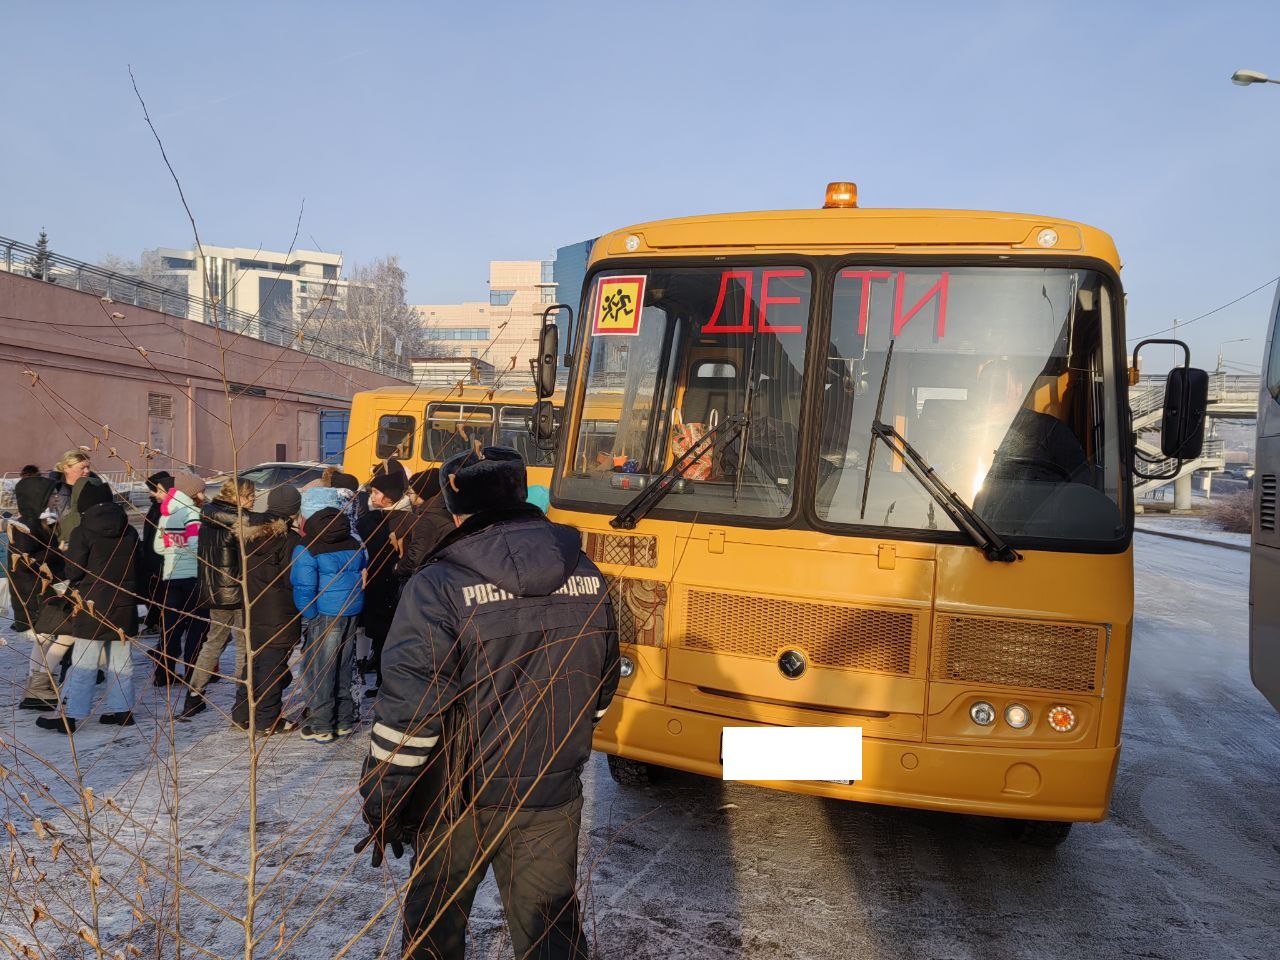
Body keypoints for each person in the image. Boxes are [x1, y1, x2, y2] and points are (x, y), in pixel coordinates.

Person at [358, 447, 619, 960]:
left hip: (458, 798)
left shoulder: (437, 585)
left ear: (456, 510)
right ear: (523, 495)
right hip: (551, 790)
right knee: (551, 935)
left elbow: (410, 717)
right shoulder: (589, 575)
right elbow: (602, 687)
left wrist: (383, 801)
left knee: (433, 932)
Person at [35, 480, 141, 734]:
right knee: (121, 660)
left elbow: (74, 570)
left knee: (84, 661)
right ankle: (123, 711)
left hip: (92, 603)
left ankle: (70, 718)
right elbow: (141, 563)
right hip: (124, 603)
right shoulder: (129, 529)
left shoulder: (82, 531)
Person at [292, 487, 367, 742]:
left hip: (325, 612)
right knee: (343, 665)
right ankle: (344, 719)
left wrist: (310, 614)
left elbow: (304, 587)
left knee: (320, 668)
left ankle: (322, 724)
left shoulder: (307, 546)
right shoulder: (353, 540)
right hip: (352, 608)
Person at [231, 485, 304, 735]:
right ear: (294, 511)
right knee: (273, 665)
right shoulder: (290, 540)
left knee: (254, 662)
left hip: (252, 607)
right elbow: (291, 578)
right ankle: (267, 720)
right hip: (280, 611)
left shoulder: (248, 534)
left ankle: (242, 713)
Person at [182, 477, 255, 718]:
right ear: (236, 497)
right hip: (238, 590)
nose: (253, 499)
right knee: (244, 646)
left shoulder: (209, 518)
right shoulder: (238, 523)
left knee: (213, 642)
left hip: (214, 592)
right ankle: (243, 698)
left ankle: (193, 696)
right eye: (249, 495)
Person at [8, 472, 66, 711]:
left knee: (45, 639)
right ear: (36, 497)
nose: (56, 497)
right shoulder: (24, 527)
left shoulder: (41, 522)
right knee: (52, 637)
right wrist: (59, 550)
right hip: (32, 593)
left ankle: (37, 686)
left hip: (43, 591)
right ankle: (37, 686)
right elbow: (26, 563)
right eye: (51, 493)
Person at [355, 470, 414, 697]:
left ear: (389, 495)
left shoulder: (402, 520)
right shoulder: (373, 518)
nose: (373, 496)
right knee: (380, 636)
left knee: (389, 636)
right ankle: (381, 680)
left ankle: (387, 682)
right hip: (379, 583)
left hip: (391, 583)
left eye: (377, 492)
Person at [153, 470, 207, 687]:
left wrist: (174, 548)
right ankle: (192, 672)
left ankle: (163, 673)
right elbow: (196, 548)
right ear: (193, 493)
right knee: (196, 628)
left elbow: (158, 547)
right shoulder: (193, 514)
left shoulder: (167, 515)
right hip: (193, 578)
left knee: (171, 628)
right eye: (202, 492)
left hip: (171, 576)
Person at [393, 469, 454, 583]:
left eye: (410, 493)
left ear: (423, 492)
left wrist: (397, 568)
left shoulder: (428, 520)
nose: (408, 497)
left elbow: (416, 559)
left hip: (428, 579)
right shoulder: (447, 511)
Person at [139, 472, 174, 637]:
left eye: (153, 490)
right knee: (154, 592)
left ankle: (159, 623)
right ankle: (155, 621)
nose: (151, 493)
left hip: (159, 560)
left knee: (160, 593)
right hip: (152, 558)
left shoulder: (163, 509)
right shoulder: (156, 507)